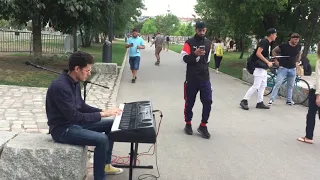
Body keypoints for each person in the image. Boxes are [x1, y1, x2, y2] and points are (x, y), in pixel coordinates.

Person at [45, 51, 123, 180]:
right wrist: (101, 114)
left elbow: (82, 106)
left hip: (75, 124)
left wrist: (104, 110)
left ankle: (106, 165)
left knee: (113, 124)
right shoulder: (61, 87)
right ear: (77, 69)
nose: (89, 73)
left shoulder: (74, 82)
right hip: (62, 130)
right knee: (101, 140)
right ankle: (99, 177)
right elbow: (74, 117)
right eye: (87, 70)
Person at [180, 21, 212, 139]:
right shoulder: (189, 43)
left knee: (208, 101)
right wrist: (194, 54)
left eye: (203, 30)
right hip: (192, 78)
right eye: (199, 30)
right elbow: (184, 59)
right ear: (196, 30)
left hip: (204, 78)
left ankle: (203, 125)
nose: (202, 32)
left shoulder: (209, 43)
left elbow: (207, 60)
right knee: (189, 102)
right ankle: (188, 123)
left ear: (206, 30)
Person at [239, 28, 277, 110]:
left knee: (263, 85)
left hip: (262, 68)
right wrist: (267, 62)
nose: (276, 36)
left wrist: (269, 60)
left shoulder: (267, 43)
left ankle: (260, 102)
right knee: (256, 85)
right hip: (258, 67)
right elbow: (258, 53)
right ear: (271, 34)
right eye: (275, 34)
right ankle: (244, 100)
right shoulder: (264, 42)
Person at [268, 33, 302, 106]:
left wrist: (297, 61)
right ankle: (272, 99)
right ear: (291, 38)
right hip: (283, 68)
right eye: (295, 39)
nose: (296, 41)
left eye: (298, 40)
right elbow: (274, 51)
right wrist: (276, 60)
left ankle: (289, 100)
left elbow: (299, 54)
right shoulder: (284, 45)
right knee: (278, 84)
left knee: (290, 85)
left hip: (292, 68)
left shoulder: (298, 46)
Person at [297, 41, 320, 144]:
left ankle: (308, 137)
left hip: (316, 91)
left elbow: (319, 78)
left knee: (311, 114)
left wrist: (318, 94)